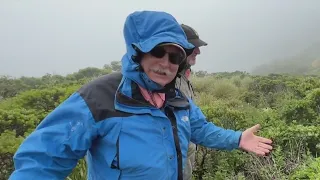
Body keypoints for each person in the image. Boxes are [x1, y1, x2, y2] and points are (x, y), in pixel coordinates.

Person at [9, 10, 273, 180]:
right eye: (158, 51)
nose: (165, 63)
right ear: (138, 52)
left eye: (174, 56)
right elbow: (44, 160)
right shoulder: (99, 97)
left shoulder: (177, 99)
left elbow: (201, 130)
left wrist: (237, 139)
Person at [176, 24, 208, 180]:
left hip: (186, 154)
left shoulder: (182, 76)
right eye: (193, 46)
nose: (198, 51)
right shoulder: (166, 82)